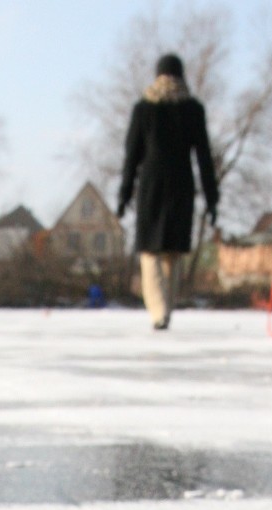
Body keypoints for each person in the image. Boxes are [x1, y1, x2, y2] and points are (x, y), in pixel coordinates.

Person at [117, 52, 219, 331]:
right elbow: (204, 158)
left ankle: (158, 312)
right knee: (172, 254)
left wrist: (124, 194)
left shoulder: (144, 109)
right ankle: (165, 310)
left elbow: (131, 157)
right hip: (181, 188)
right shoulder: (192, 109)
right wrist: (212, 198)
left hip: (151, 187)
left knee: (150, 252)